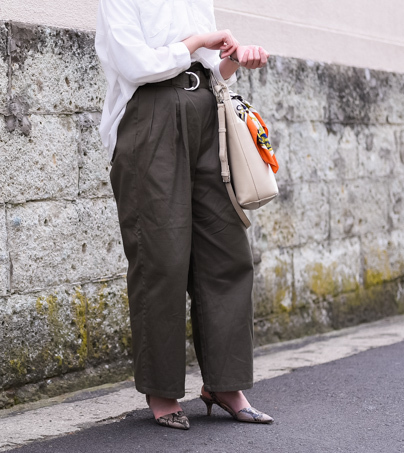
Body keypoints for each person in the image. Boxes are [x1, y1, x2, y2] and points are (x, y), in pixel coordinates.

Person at [95, 0, 274, 430]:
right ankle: (162, 389)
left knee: (227, 250)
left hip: (206, 114)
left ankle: (225, 384)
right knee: (162, 256)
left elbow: (212, 66)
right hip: (149, 118)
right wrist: (194, 42)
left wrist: (234, 58)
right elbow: (136, 64)